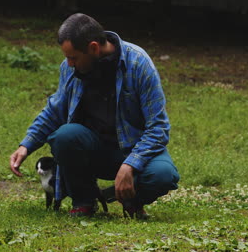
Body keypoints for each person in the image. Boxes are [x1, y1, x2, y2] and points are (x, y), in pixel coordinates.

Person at [10, 13, 180, 218]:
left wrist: (131, 164)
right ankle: (84, 200)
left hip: (132, 148)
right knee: (64, 136)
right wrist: (26, 145)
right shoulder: (70, 68)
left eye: (73, 57)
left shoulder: (138, 63)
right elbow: (55, 110)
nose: (69, 64)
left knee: (163, 175)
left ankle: (131, 201)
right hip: (93, 150)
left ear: (93, 48)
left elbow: (158, 127)